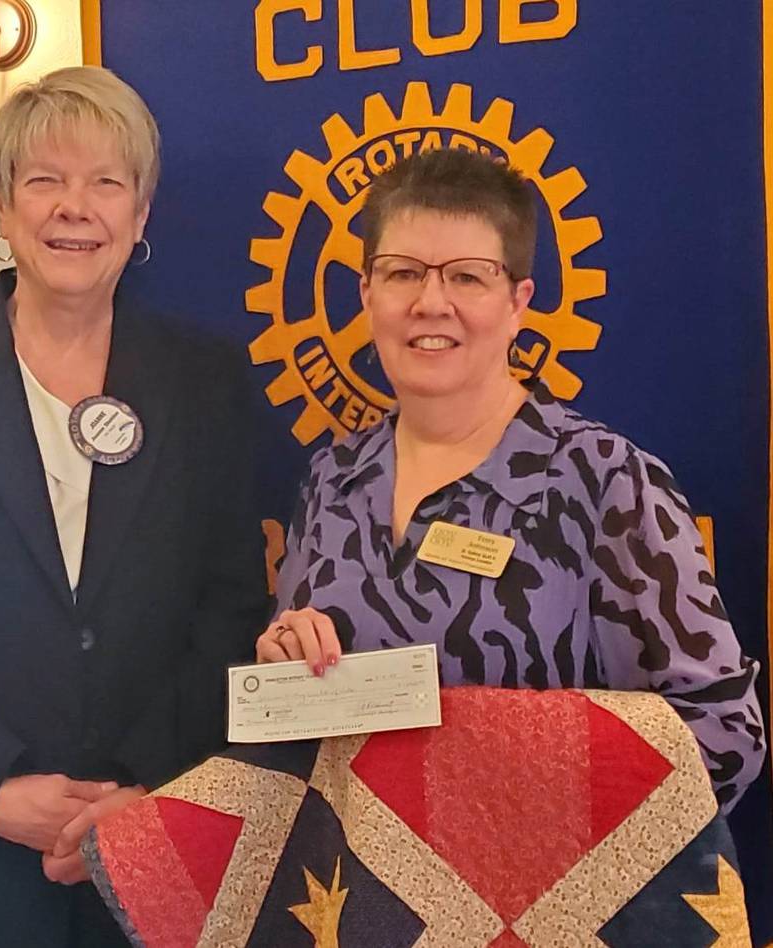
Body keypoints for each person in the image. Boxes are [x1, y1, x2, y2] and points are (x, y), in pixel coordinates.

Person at [0, 66, 269, 946]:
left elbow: (231, 604)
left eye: (106, 183)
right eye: (44, 181)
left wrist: (141, 782)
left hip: (157, 841)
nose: (74, 208)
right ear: (2, 210)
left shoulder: (208, 383)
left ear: (141, 215)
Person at [256, 147, 765, 811]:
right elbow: (308, 737)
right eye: (403, 272)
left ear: (519, 302)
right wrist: (284, 674)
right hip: (353, 908)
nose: (430, 302)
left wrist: (524, 830)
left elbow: (724, 737)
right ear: (367, 294)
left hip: (550, 906)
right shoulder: (334, 480)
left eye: (467, 277)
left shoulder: (605, 482)